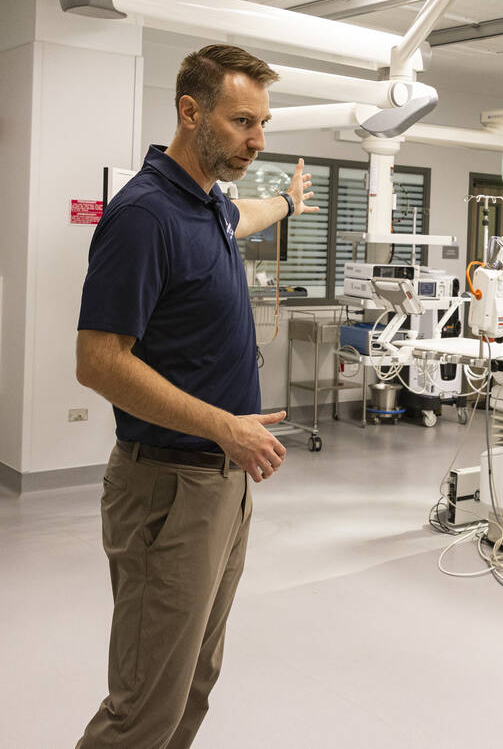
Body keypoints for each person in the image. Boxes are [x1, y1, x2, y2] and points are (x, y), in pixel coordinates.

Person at [75, 44, 317, 749]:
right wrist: (225, 426)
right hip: (169, 488)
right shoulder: (145, 215)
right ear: (191, 112)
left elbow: (245, 214)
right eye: (243, 121)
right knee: (144, 707)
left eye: (263, 123)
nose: (258, 140)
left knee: (194, 684)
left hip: (222, 485)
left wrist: (289, 203)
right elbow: (97, 361)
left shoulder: (206, 204)